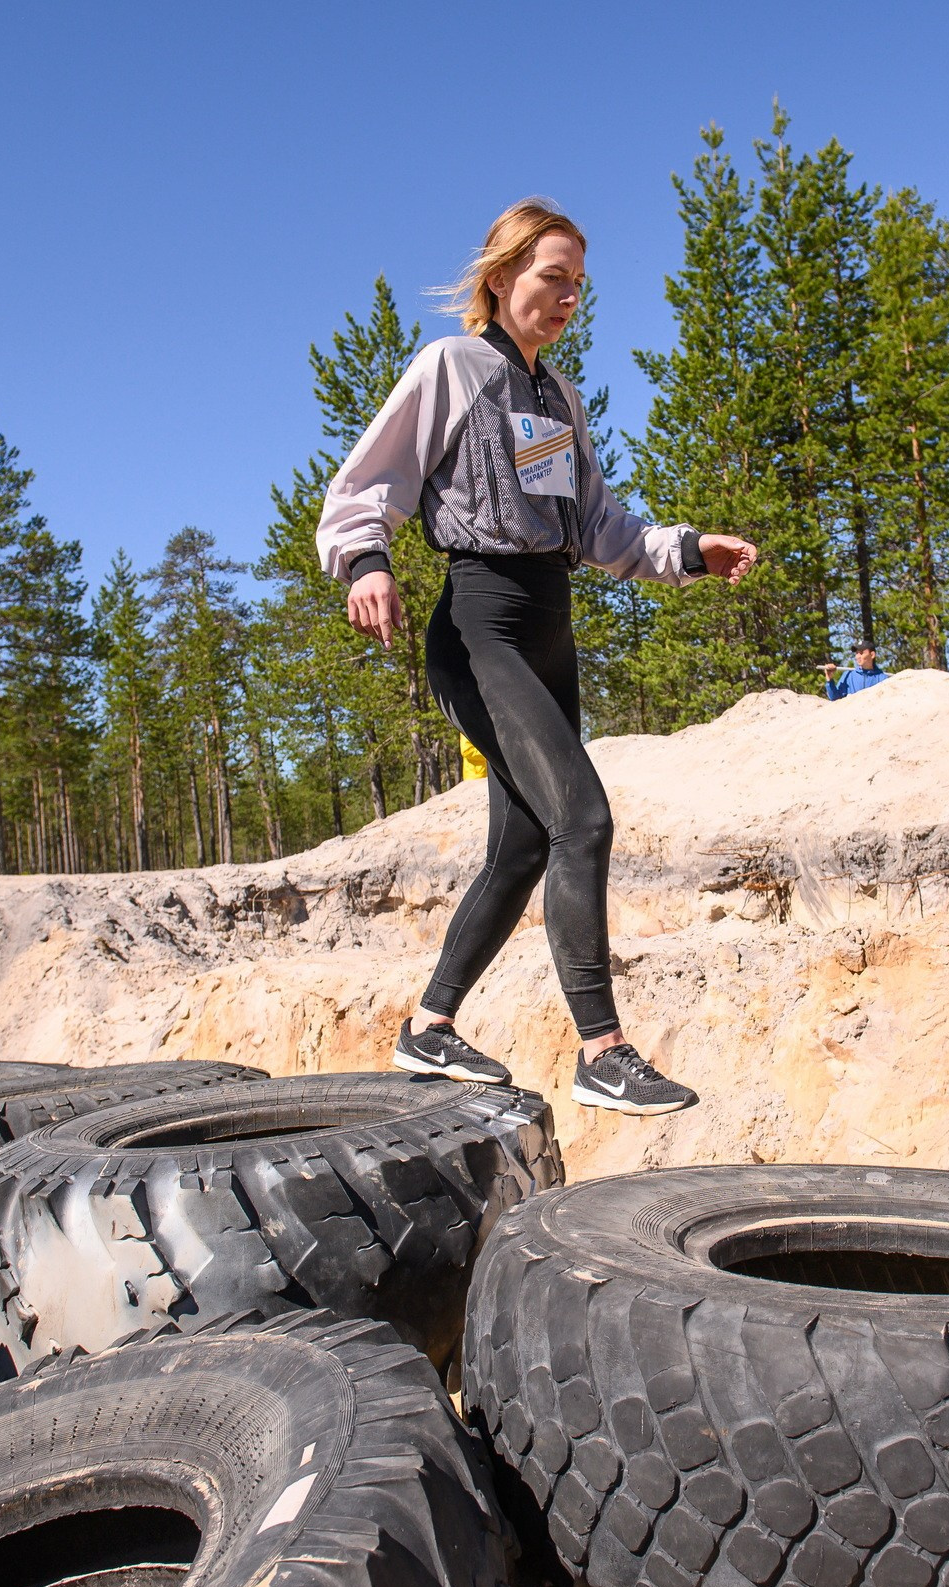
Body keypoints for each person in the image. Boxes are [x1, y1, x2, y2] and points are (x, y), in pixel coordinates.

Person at [318, 198, 758, 1116]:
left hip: (551, 621)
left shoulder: (554, 397)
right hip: (480, 623)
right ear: (500, 277)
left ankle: (428, 1028)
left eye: (577, 286)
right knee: (583, 820)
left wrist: (685, 550)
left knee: (522, 842)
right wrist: (366, 561)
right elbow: (366, 482)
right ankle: (602, 1048)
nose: (565, 299)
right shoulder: (453, 366)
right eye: (551, 277)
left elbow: (597, 526)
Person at [822, 644, 891, 700]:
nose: (858, 656)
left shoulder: (883, 679)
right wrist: (829, 680)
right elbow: (835, 698)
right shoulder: (848, 675)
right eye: (857, 653)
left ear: (872, 655)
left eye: (861, 653)